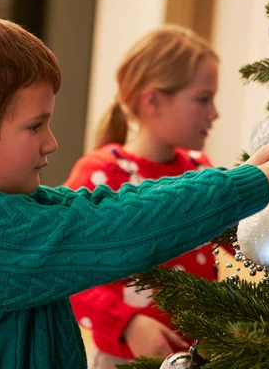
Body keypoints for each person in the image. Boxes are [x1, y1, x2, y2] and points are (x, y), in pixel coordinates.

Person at [0, 10, 269, 369]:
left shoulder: (15, 207)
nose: (51, 142)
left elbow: (120, 204)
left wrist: (246, 174)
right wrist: (259, 182)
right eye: (35, 125)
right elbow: (111, 228)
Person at [63, 25, 225, 367]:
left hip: (201, 357)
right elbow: (66, 269)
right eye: (203, 98)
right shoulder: (101, 174)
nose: (214, 113)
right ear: (152, 101)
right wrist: (126, 323)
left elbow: (240, 234)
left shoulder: (202, 170)